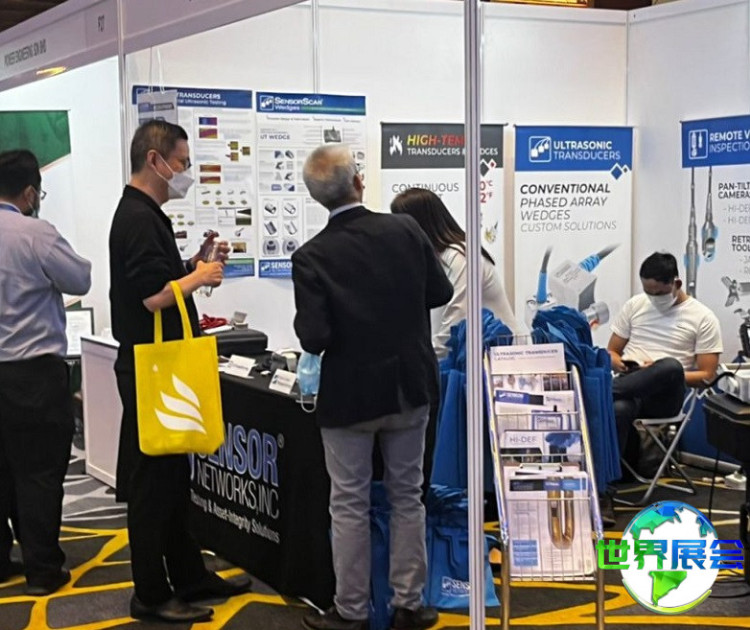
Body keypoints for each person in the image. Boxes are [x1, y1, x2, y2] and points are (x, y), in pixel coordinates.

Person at [293, 145, 453, 630]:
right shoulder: (406, 230)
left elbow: (314, 337)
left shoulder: (311, 256)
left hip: (349, 397)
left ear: (317, 198)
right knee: (408, 496)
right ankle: (409, 604)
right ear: (359, 182)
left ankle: (351, 611)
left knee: (348, 503)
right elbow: (441, 292)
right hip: (409, 386)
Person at [109, 120, 251, 624]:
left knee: (172, 480)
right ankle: (150, 592)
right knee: (153, 484)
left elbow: (156, 279)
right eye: (183, 163)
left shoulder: (146, 215)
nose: (187, 172)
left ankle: (189, 575)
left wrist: (193, 264)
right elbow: (152, 297)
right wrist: (201, 276)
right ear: (155, 161)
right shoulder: (138, 217)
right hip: (152, 368)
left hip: (159, 365)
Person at [0, 149, 91, 595]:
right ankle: (42, 569)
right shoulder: (36, 233)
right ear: (30, 192)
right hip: (32, 373)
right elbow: (80, 280)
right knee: (38, 472)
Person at [608, 252, 723, 467]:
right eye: (648, 292)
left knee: (670, 366)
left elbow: (707, 376)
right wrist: (618, 362)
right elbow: (612, 351)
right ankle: (616, 474)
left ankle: (603, 391)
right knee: (619, 409)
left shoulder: (703, 317)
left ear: (676, 283)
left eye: (659, 293)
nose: (653, 298)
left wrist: (659, 372)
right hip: (630, 383)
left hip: (665, 394)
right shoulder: (635, 305)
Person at [390, 187, 519, 358]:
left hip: (501, 358)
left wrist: (427, 359)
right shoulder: (435, 258)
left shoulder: (461, 257)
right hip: (470, 356)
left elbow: (457, 317)